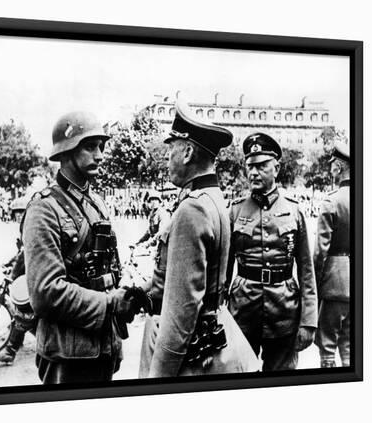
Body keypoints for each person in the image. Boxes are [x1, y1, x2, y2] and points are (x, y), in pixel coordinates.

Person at [143, 92, 258, 378]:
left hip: (194, 353)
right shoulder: (214, 199)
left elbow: (182, 309)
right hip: (216, 327)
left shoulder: (192, 208)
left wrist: (159, 373)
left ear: (188, 153)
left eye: (172, 149)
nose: (167, 157)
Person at [21, 111, 138, 384]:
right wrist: (111, 304)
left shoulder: (96, 202)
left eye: (101, 147)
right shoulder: (44, 209)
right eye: (89, 146)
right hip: (67, 354)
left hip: (104, 345)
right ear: (66, 152)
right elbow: (45, 293)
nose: (99, 155)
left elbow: (111, 267)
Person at [226, 132, 318, 371]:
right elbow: (223, 270)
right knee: (237, 377)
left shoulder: (294, 211)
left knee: (281, 382)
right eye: (250, 166)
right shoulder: (235, 211)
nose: (253, 172)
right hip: (243, 309)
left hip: (284, 310)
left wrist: (308, 321)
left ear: (276, 168)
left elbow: (307, 271)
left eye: (261, 166)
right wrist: (217, 312)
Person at [314, 141, 350, 367]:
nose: (330, 170)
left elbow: (320, 252)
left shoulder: (332, 201)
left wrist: (315, 285)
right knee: (350, 346)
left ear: (338, 167)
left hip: (335, 283)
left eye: (332, 166)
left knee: (327, 343)